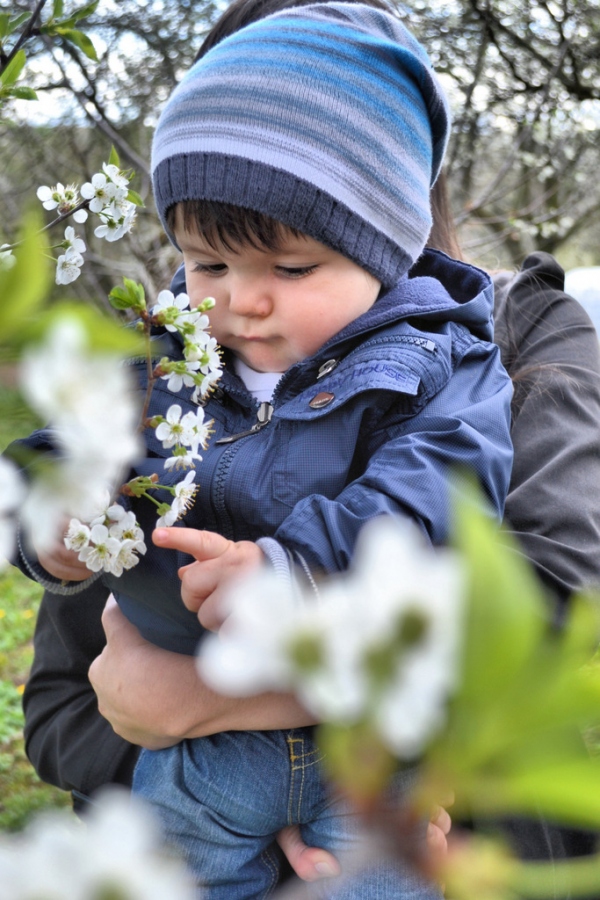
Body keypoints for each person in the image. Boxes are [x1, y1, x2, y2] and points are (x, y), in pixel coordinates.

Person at [13, 2, 513, 896]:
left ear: (385, 252)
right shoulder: (171, 354)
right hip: (197, 765)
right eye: (207, 265)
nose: (240, 303)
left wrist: (299, 573)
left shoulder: (438, 363)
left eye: (289, 271)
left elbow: (442, 492)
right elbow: (79, 437)